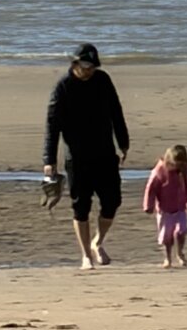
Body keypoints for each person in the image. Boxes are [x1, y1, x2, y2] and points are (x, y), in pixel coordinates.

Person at [42, 43, 130, 270]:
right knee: (81, 207)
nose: (89, 70)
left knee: (112, 202)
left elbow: (116, 111)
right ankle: (85, 256)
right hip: (77, 157)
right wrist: (49, 161)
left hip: (105, 153)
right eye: (85, 65)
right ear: (75, 64)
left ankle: (97, 242)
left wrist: (123, 143)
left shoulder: (103, 81)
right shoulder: (63, 88)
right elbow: (52, 126)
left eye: (92, 66)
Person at [141, 144, 187, 268]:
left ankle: (180, 253)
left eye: (181, 163)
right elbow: (151, 189)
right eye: (176, 163)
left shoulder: (183, 172)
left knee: (181, 231)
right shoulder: (159, 171)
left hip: (180, 209)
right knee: (166, 236)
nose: (178, 166)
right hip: (165, 210)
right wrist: (148, 205)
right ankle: (167, 258)